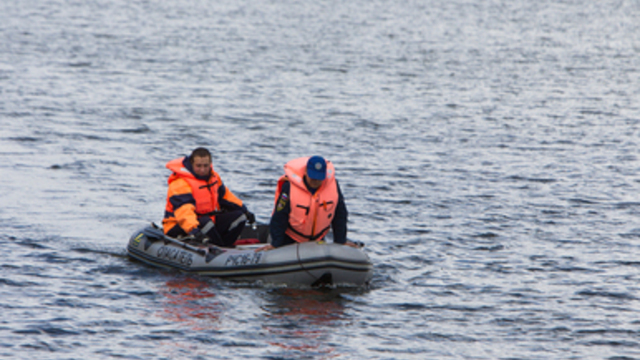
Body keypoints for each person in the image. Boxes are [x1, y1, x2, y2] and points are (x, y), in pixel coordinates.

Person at [257, 156, 358, 252]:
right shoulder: (290, 187)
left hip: (317, 239)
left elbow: (340, 214)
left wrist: (341, 241)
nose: (315, 181)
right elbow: (280, 216)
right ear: (305, 172)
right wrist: (275, 244)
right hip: (291, 237)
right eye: (313, 177)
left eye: (319, 178)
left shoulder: (333, 187)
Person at [162, 147, 255, 247]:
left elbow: (226, 197)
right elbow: (184, 211)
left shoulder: (214, 178)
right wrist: (193, 229)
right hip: (179, 225)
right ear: (192, 164)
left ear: (210, 164)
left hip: (206, 221)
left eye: (206, 166)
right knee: (206, 223)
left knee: (239, 216)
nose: (202, 170)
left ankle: (224, 246)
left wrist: (245, 211)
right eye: (198, 166)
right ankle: (218, 249)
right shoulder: (180, 183)